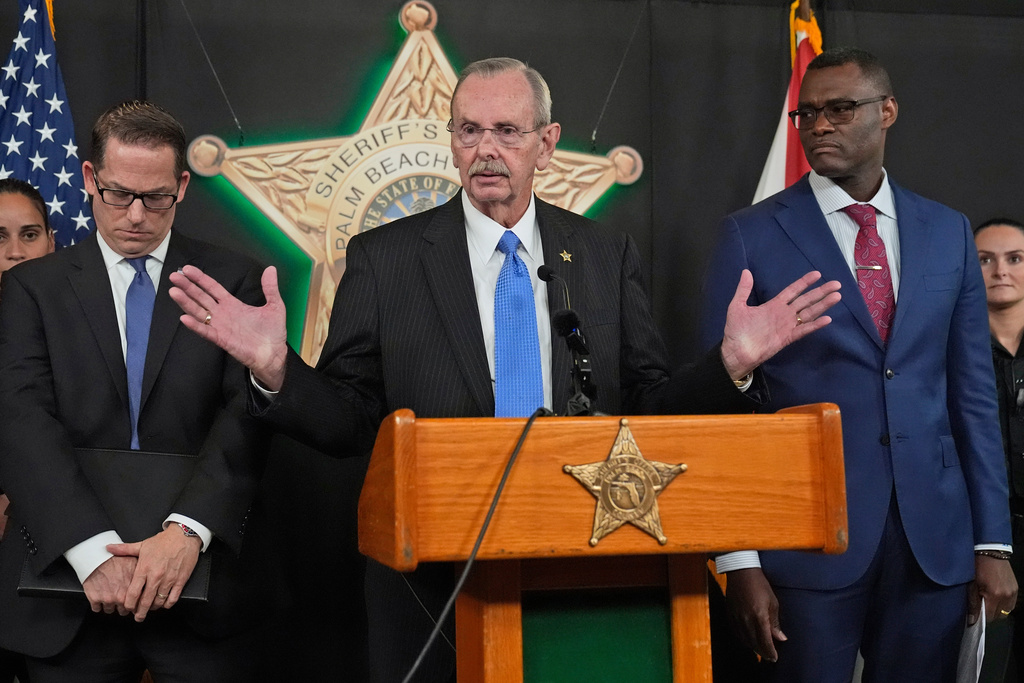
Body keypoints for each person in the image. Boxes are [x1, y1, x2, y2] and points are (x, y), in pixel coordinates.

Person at [169, 57, 840, 682]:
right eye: (469, 130)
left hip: (589, 571)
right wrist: (277, 369)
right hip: (434, 581)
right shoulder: (386, 259)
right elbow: (349, 419)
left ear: (546, 144)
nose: (486, 148)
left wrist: (732, 364)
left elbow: (651, 407)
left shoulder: (603, 254)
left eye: (507, 131)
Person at [700, 47, 1017, 682]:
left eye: (841, 109)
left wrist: (993, 542)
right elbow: (721, 410)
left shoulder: (947, 231)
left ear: (887, 112)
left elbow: (973, 398)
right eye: (808, 113)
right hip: (805, 548)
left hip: (934, 545)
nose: (820, 125)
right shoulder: (751, 233)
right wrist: (738, 560)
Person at [0, 100, 270, 682]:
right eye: (119, 194)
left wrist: (186, 533)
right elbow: (20, 420)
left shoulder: (231, 281)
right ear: (90, 178)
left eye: (156, 198)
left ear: (182, 186)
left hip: (197, 592)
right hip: (65, 595)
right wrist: (91, 551)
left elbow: (244, 417)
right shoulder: (30, 289)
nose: (136, 216)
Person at [0, 177, 54, 683]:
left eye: (29, 234)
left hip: (50, 565)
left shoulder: (83, 330)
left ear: (53, 241)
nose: (15, 252)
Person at [975, 218, 1024, 682]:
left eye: (1015, 259)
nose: (1000, 270)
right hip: (982, 541)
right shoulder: (950, 351)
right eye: (985, 259)